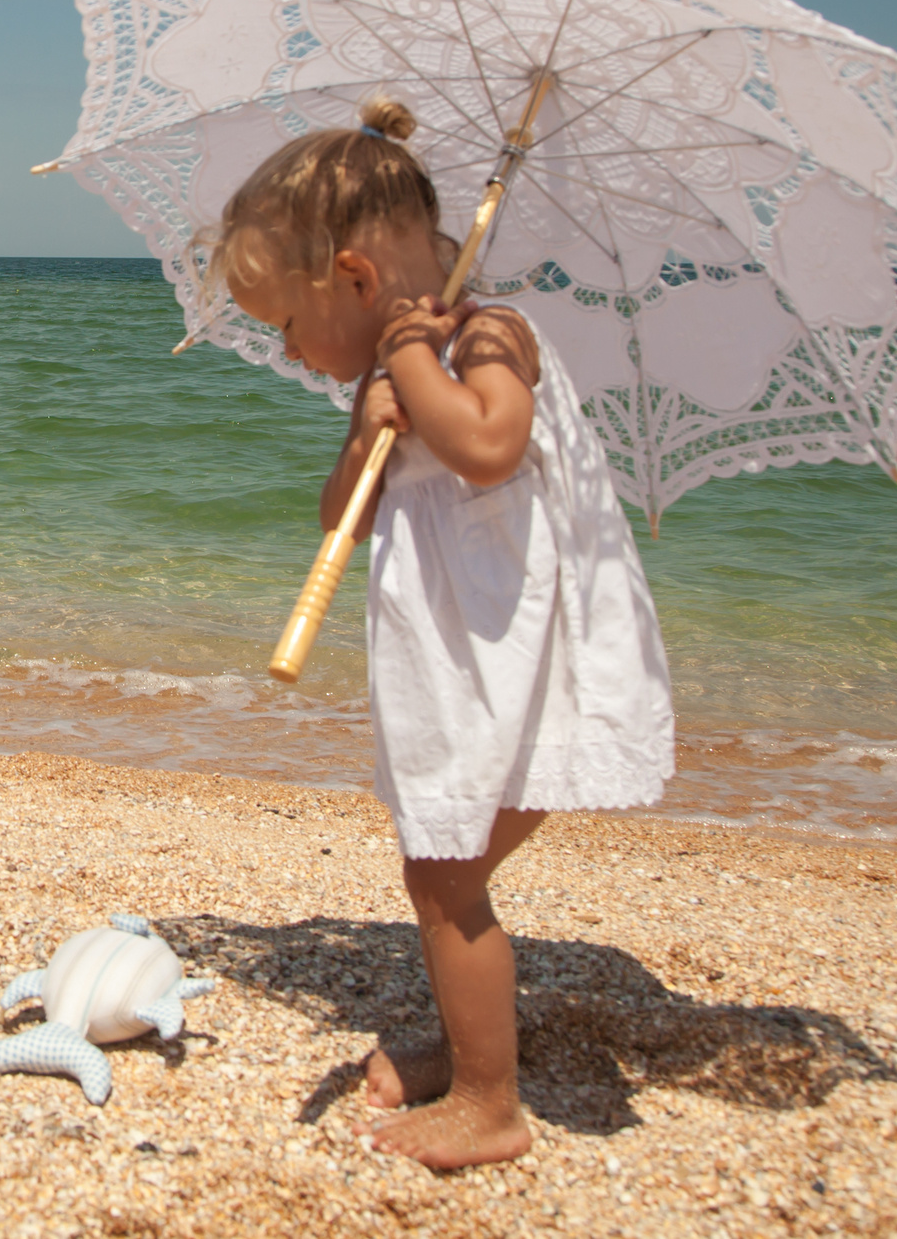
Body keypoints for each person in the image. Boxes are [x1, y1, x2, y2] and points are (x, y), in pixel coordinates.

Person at [214, 98, 674, 1169]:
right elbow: (344, 514)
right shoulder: (392, 370)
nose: (286, 349)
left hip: (526, 663)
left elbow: (489, 445)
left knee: (442, 873)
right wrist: (366, 426)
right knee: (441, 865)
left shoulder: (488, 335)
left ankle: (488, 1100)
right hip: (461, 663)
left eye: (287, 322)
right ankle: (471, 1040)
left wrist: (414, 363)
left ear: (355, 279)